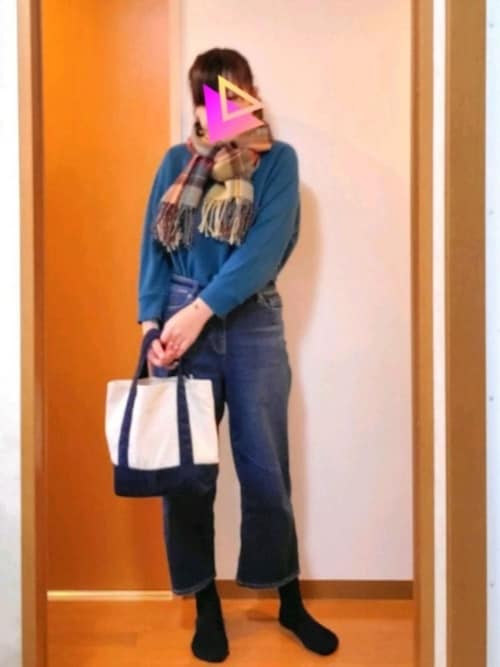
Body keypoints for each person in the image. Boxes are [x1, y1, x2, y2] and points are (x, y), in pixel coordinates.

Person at [137, 47, 339, 663]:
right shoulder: (175, 162)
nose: (217, 106)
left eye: (229, 92)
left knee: (266, 469)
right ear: (197, 102)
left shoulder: (277, 162)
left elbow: (262, 253)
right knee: (188, 477)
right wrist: (151, 326)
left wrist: (198, 313)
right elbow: (154, 250)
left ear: (249, 93)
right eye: (206, 95)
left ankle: (288, 600)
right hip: (178, 324)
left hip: (251, 322)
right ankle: (205, 605)